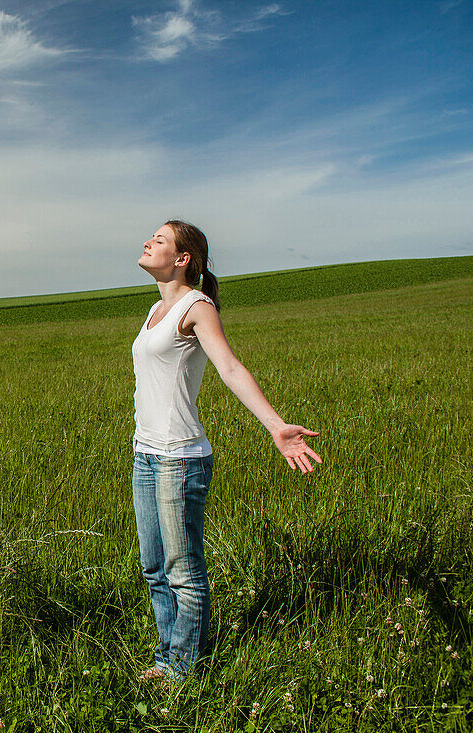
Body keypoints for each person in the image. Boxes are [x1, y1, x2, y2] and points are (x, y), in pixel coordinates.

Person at [131, 219, 322, 683]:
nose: (146, 242)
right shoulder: (156, 310)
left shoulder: (197, 307)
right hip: (146, 453)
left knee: (182, 570)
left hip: (180, 457)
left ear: (182, 259)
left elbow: (231, 368)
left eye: (158, 240)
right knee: (154, 568)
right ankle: (166, 657)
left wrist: (276, 426)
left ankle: (183, 672)